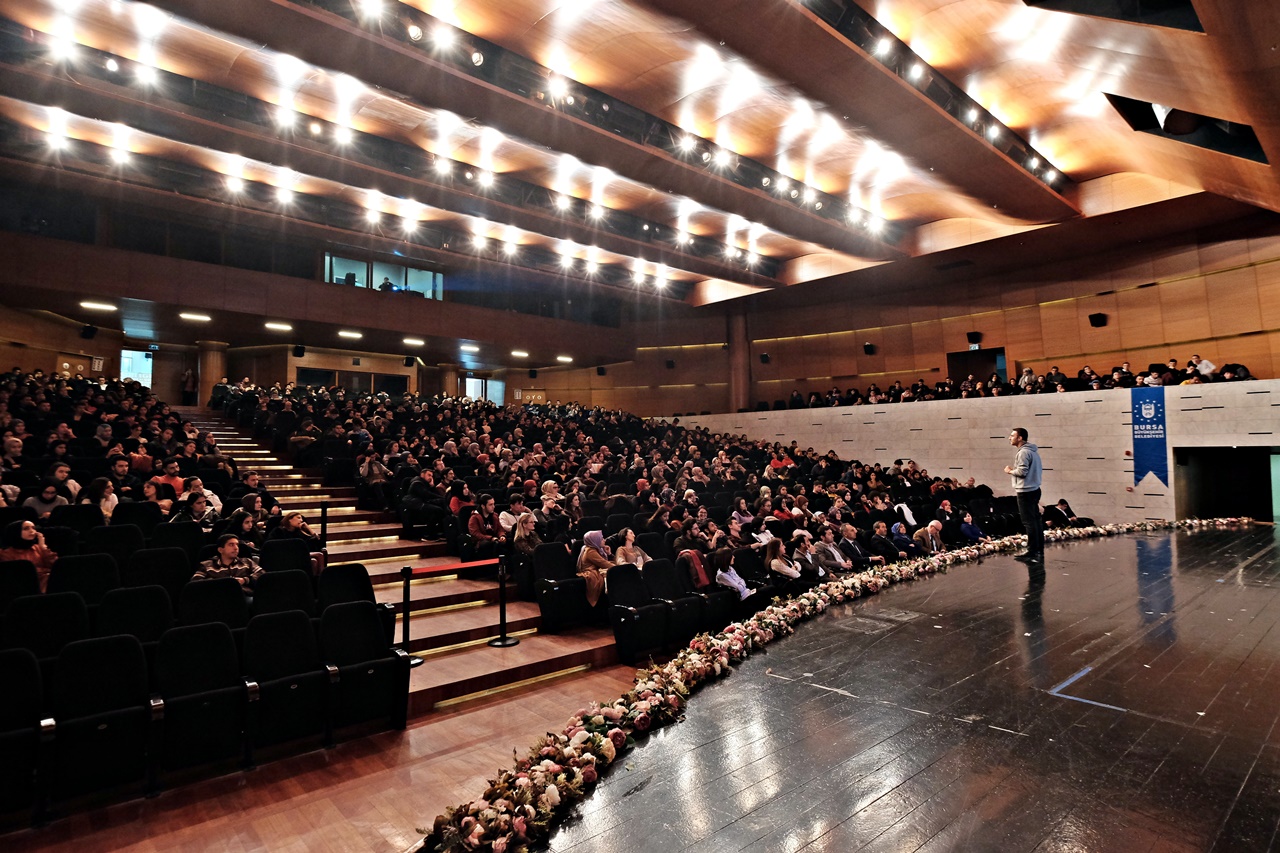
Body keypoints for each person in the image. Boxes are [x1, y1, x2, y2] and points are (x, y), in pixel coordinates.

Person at [1005, 427, 1044, 566]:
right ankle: (1038, 549)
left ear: (1020, 438)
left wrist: (1009, 471)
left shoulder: (1023, 452)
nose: (1009, 438)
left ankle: (1032, 551)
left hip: (1025, 491)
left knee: (1028, 522)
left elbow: (1022, 472)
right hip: (1035, 489)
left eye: (1012, 435)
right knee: (1036, 520)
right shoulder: (1033, 452)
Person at [194, 534, 264, 598]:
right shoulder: (207, 565)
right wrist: (220, 583)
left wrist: (245, 580)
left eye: (237, 545)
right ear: (220, 550)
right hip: (217, 598)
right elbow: (195, 582)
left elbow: (262, 574)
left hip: (243, 596)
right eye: (231, 545)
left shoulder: (247, 562)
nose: (236, 548)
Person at [0, 519, 58, 592]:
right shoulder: (5, 553)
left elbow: (55, 565)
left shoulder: (38, 548)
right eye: (26, 529)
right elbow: (13, 575)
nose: (32, 531)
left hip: (46, 581)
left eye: (33, 528)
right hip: (24, 586)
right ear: (15, 532)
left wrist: (43, 547)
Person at [576, 530, 611, 608]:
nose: (604, 540)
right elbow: (605, 564)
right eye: (601, 538)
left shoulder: (596, 549)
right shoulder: (590, 551)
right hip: (592, 574)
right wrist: (620, 567)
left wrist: (609, 554)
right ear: (595, 540)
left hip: (598, 570)